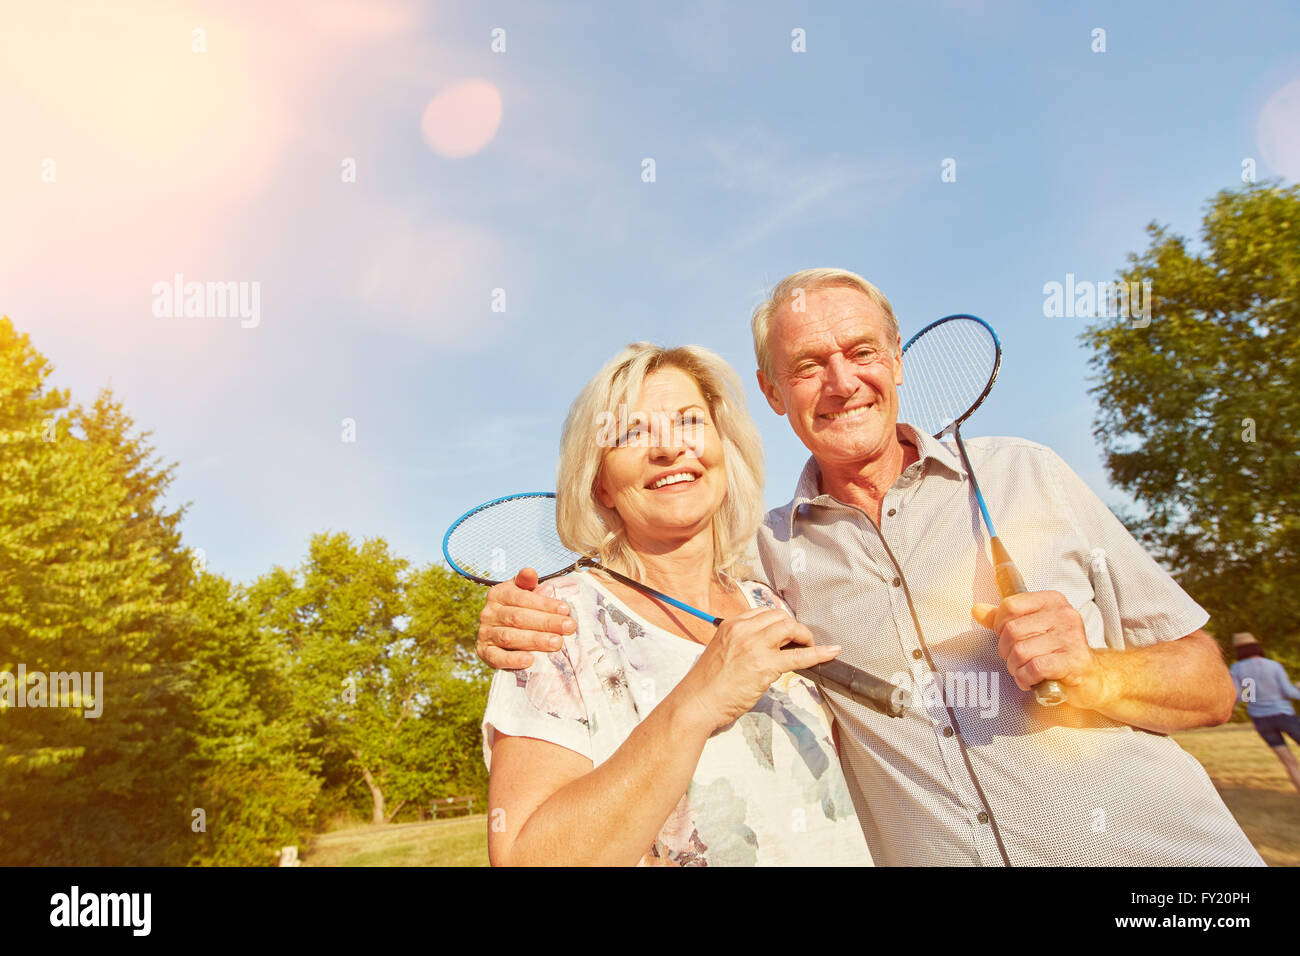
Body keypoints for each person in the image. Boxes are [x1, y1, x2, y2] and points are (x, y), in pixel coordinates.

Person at [479, 267, 1265, 866]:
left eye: (861, 351)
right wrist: (516, 615)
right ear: (773, 393)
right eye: (809, 364)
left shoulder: (1028, 474)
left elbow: (1211, 686)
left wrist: (1097, 671)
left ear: (895, 359)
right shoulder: (767, 563)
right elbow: (645, 587)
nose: (843, 381)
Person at [480, 342, 873, 866]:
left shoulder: (772, 600)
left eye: (689, 422)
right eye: (631, 433)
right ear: (600, 484)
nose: (669, 449)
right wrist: (697, 701)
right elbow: (527, 859)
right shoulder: (554, 626)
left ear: (721, 448)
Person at [1229, 631, 1300, 792]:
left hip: (1261, 720)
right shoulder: (1272, 665)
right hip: (1284, 715)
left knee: (1289, 762)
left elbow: (1245, 697)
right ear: (1256, 646)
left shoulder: (1237, 668)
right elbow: (1289, 692)